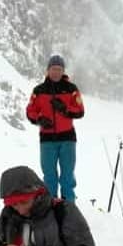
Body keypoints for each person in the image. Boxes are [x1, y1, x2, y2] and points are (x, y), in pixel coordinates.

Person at [25, 54, 85, 201]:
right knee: (49, 175)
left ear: (63, 71)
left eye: (59, 69)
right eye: (53, 69)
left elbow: (80, 111)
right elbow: (30, 111)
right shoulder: (39, 91)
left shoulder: (71, 89)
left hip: (67, 139)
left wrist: (65, 110)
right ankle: (50, 204)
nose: (56, 72)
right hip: (47, 140)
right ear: (47, 70)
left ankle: (68, 205)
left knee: (67, 175)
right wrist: (39, 120)